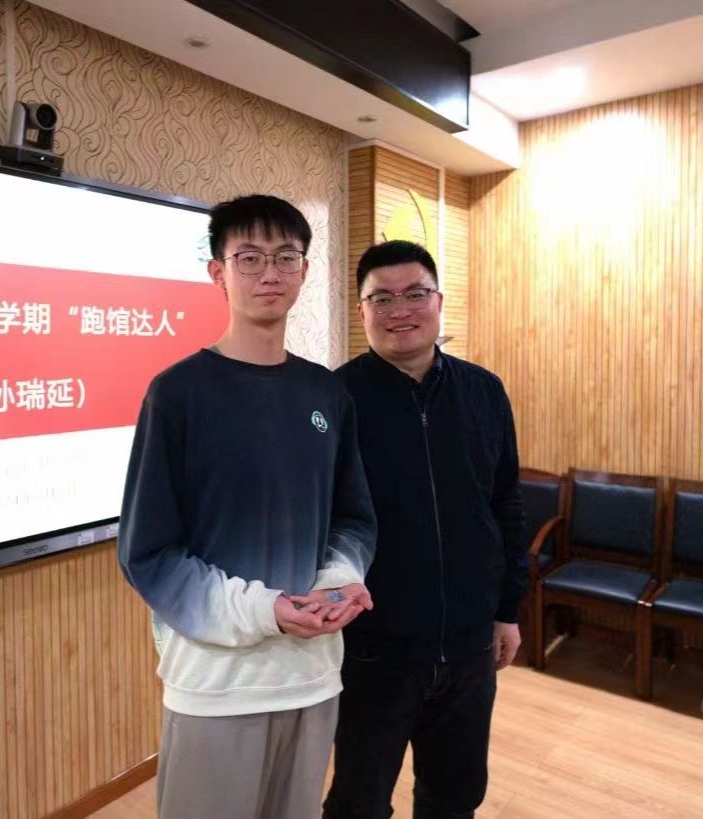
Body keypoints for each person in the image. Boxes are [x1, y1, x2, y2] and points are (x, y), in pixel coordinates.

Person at [118, 194, 377, 819]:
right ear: (218, 272)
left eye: (286, 257)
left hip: (313, 675)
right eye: (250, 257)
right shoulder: (177, 393)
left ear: (304, 270)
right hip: (216, 684)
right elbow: (149, 552)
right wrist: (265, 609)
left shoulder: (326, 393)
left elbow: (353, 518)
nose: (270, 273)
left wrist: (340, 582)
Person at [324, 240, 525, 819]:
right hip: (372, 649)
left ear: (439, 300)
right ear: (362, 310)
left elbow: (506, 504)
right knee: (358, 802)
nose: (400, 310)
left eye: (415, 294)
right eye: (381, 298)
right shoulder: (335, 398)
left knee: (454, 798)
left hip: (468, 644)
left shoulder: (483, 390)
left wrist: (507, 610)